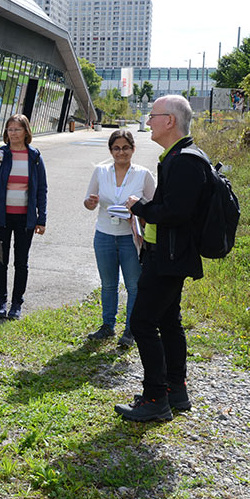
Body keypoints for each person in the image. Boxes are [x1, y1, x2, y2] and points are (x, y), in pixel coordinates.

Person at [116, 95, 209, 422]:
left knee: (142, 321)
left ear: (169, 121)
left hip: (169, 257)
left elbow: (175, 212)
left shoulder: (183, 160)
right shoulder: (178, 156)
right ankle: (175, 390)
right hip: (168, 253)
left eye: (153, 115)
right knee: (169, 321)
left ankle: (156, 396)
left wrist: (139, 206)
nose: (149, 120)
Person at [83, 129, 156, 348]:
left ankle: (130, 330)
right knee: (108, 284)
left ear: (133, 149)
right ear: (110, 150)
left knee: (134, 285)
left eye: (125, 148)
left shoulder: (143, 174)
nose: (121, 152)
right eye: (116, 148)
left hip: (130, 237)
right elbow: (88, 201)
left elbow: (154, 208)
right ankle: (107, 326)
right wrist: (91, 203)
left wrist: (139, 211)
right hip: (104, 235)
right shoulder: (100, 171)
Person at [0, 114, 47, 320]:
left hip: (25, 220)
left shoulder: (34, 157)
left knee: (21, 262)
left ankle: (17, 303)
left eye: (17, 129)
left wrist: (41, 218)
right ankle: (1, 301)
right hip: (1, 218)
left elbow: (42, 190)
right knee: (1, 260)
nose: (13, 133)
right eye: (10, 129)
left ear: (26, 131)